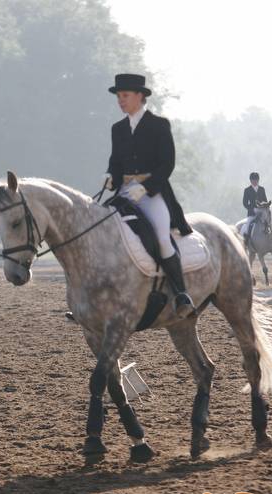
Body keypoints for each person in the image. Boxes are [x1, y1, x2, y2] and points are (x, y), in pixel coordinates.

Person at [103, 73, 196, 318]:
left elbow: (168, 164)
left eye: (125, 96)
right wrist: (111, 176)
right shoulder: (118, 129)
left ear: (140, 96)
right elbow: (116, 162)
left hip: (152, 193)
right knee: (103, 230)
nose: (120, 101)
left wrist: (145, 187)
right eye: (119, 97)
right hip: (124, 192)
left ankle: (180, 293)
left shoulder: (158, 125)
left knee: (162, 237)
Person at [239, 172, 272, 251]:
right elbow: (245, 203)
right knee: (247, 226)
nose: (254, 182)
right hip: (252, 213)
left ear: (258, 180)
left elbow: (265, 200)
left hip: (263, 213)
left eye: (256, 180)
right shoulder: (247, 190)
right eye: (253, 180)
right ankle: (245, 244)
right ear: (250, 181)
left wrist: (266, 207)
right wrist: (252, 209)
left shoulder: (262, 189)